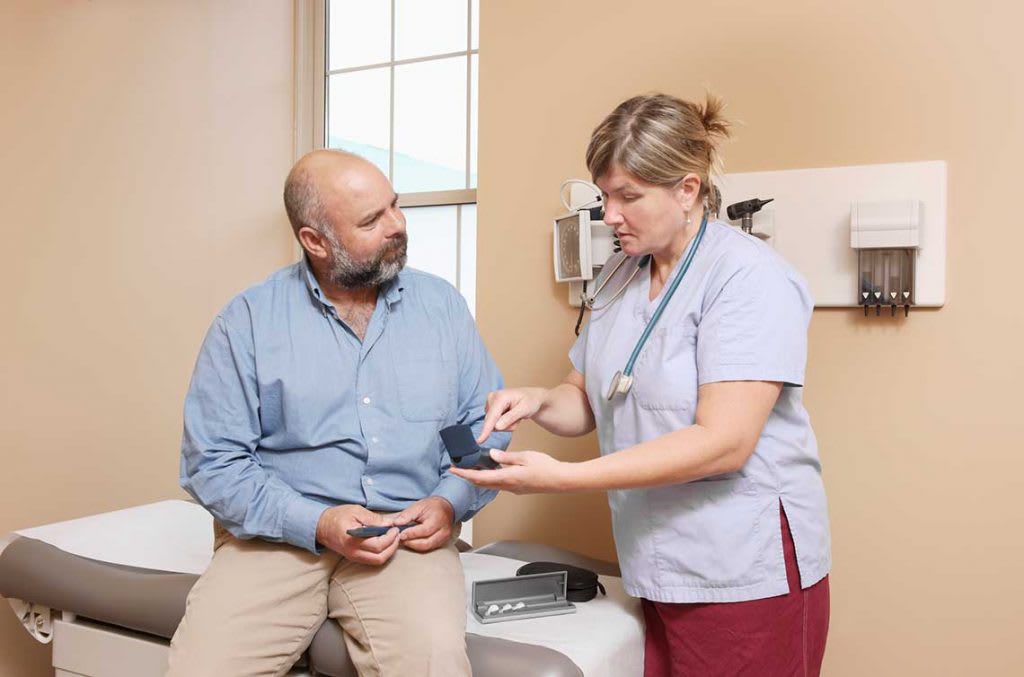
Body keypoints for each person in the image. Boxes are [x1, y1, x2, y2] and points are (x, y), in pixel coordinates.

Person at [452, 93, 831, 676]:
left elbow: (724, 442)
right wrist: (534, 401)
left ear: (687, 189)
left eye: (629, 196)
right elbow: (587, 397)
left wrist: (564, 478)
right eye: (604, 194)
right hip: (656, 559)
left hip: (740, 565)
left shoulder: (748, 279)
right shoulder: (623, 272)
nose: (609, 215)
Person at [167, 150, 509, 677]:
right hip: (277, 539)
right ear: (315, 241)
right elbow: (213, 463)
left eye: (394, 206)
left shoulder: (442, 308)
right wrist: (318, 522)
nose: (397, 225)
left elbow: (481, 431)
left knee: (435, 664)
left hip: (405, 538)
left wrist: (449, 502)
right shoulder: (248, 322)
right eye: (372, 220)